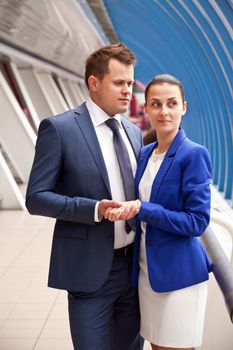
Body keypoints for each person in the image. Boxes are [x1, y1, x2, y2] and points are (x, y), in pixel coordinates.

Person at [25, 43, 143, 350]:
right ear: (94, 83)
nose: (127, 91)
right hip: (91, 272)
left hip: (135, 271)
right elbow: (36, 197)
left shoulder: (133, 133)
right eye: (119, 83)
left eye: (130, 83)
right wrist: (94, 209)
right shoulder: (60, 129)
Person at [105, 74, 212, 350]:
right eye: (156, 104)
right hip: (146, 274)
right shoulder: (145, 153)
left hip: (178, 276)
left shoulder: (193, 154)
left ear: (183, 107)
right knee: (156, 345)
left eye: (171, 103)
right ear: (146, 108)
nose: (164, 111)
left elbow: (197, 222)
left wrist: (143, 209)